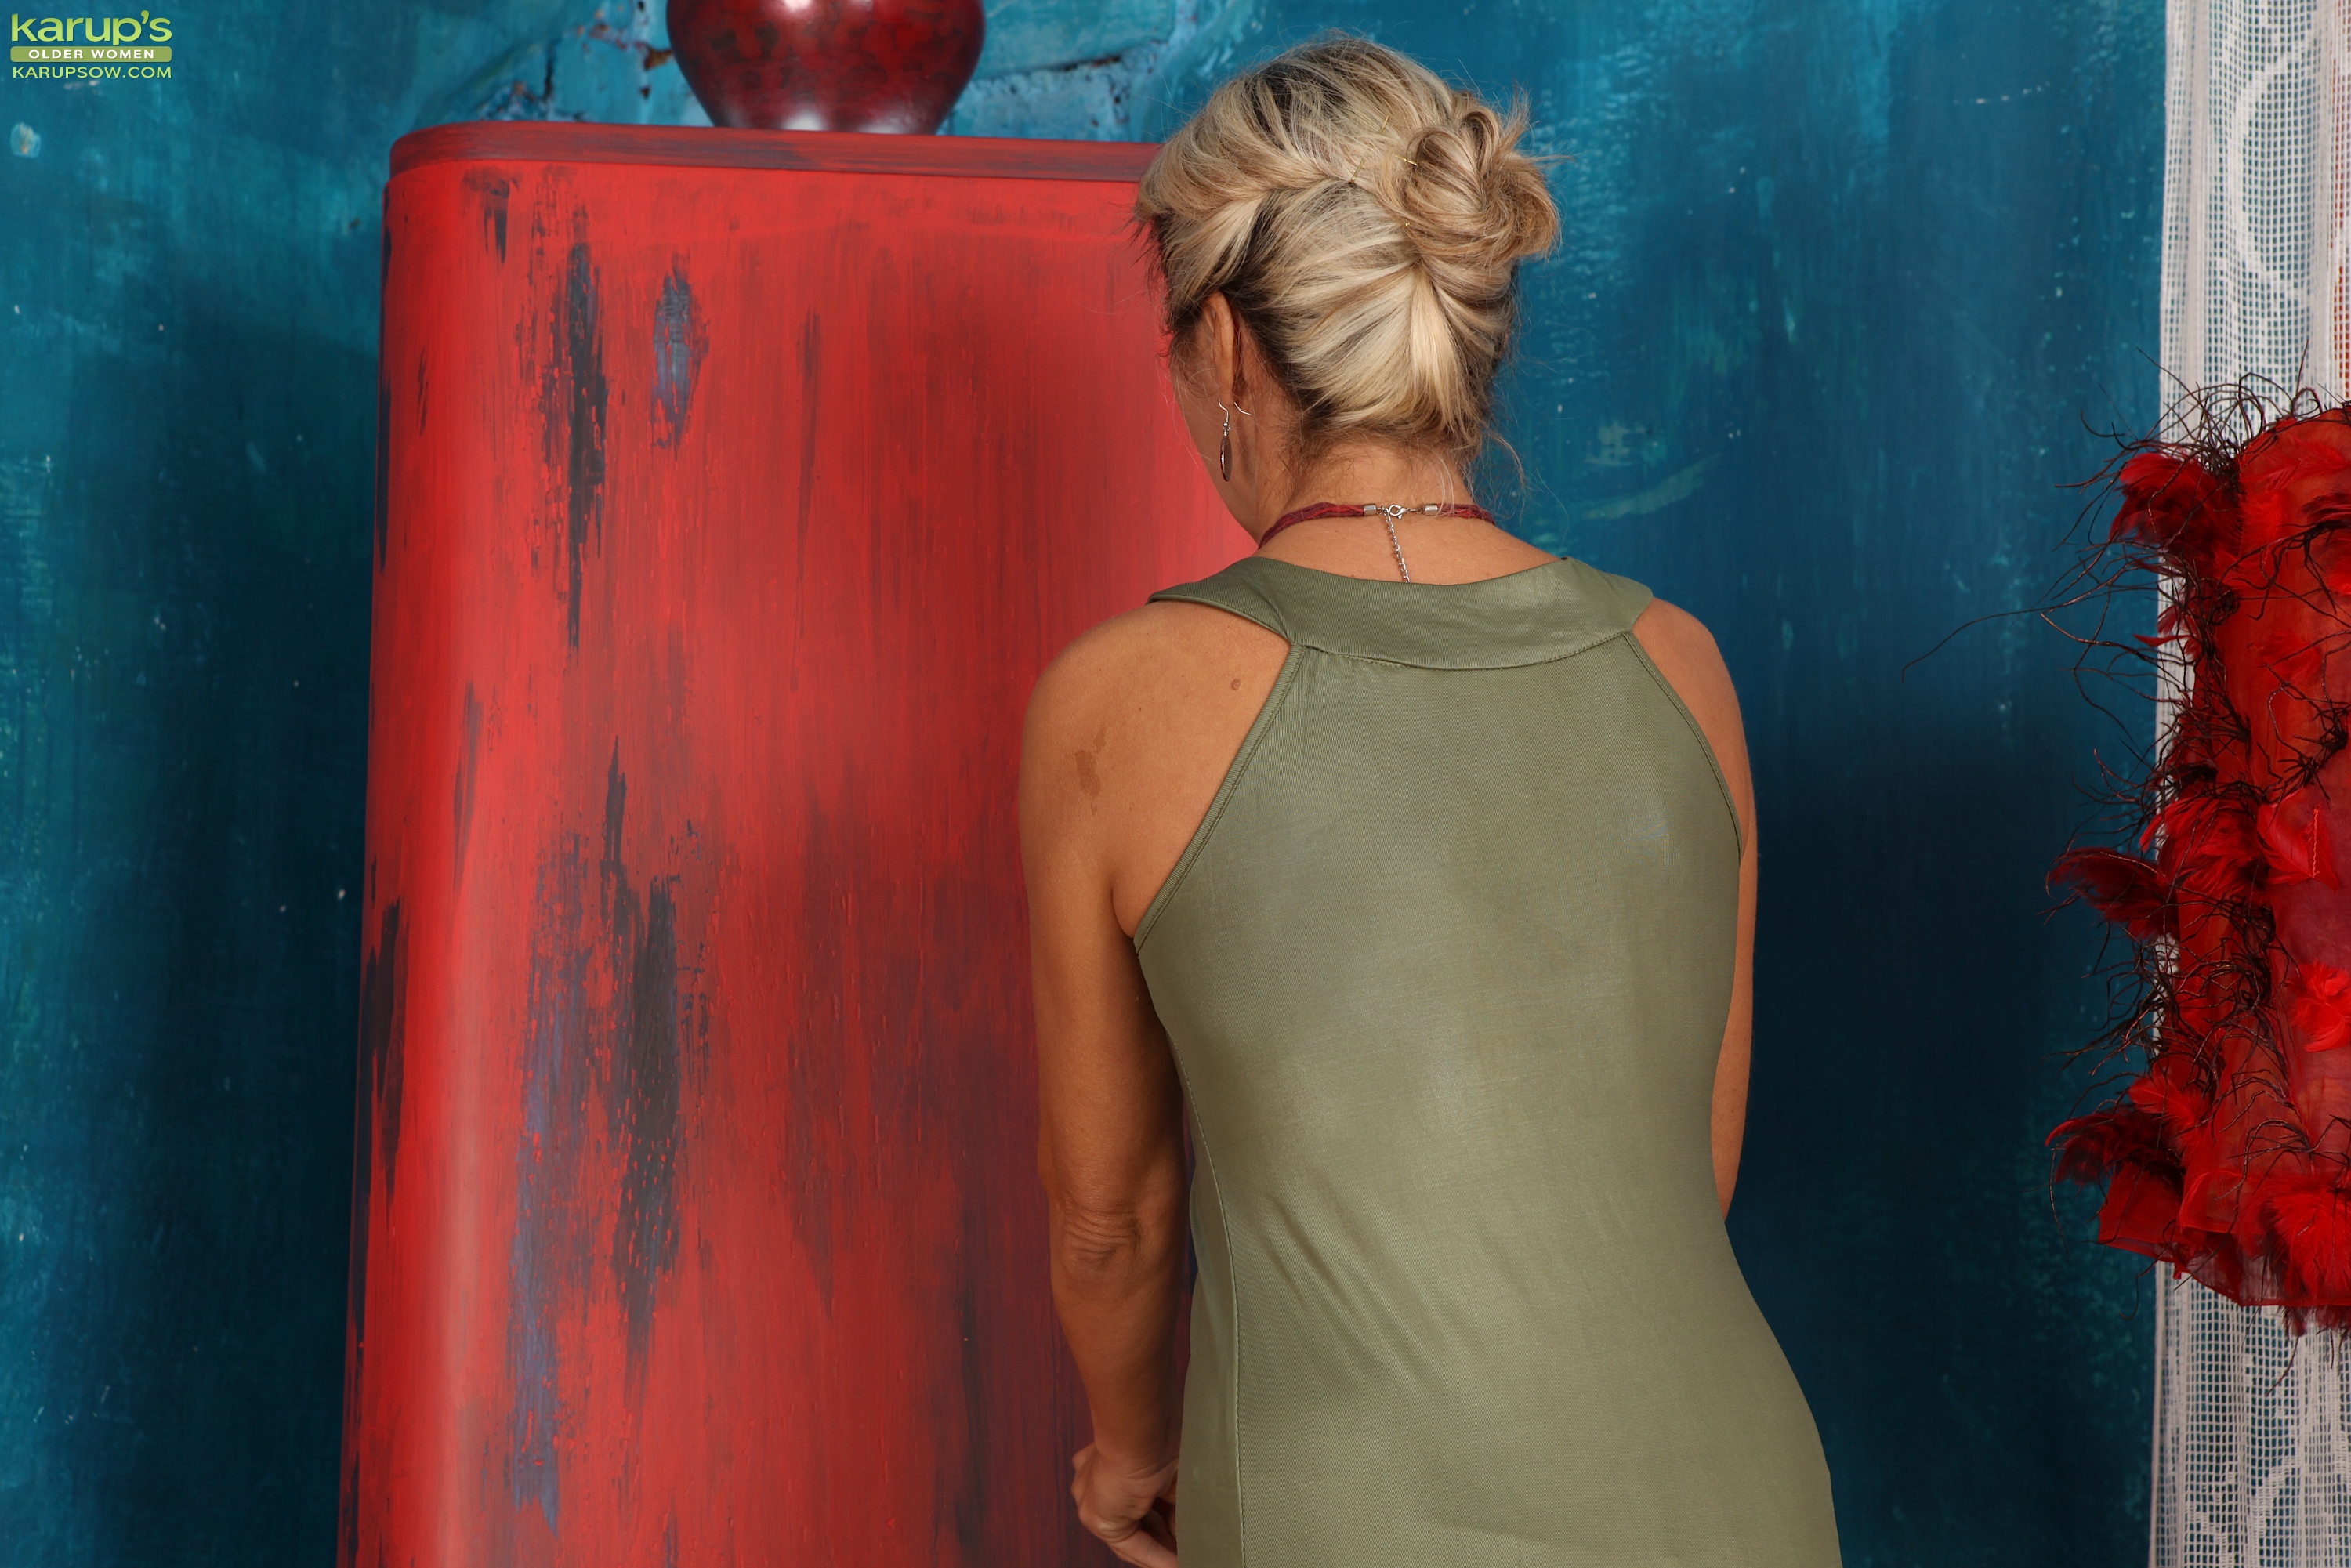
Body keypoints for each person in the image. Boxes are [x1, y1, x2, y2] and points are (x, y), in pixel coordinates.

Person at [1019, 35, 1840, 1568]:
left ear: (1227, 349)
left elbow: (1111, 1221)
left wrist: (1134, 1451)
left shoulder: (1118, 702)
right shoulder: (1683, 665)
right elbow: (1685, 1171)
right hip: (1736, 1496)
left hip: (1353, 1516)